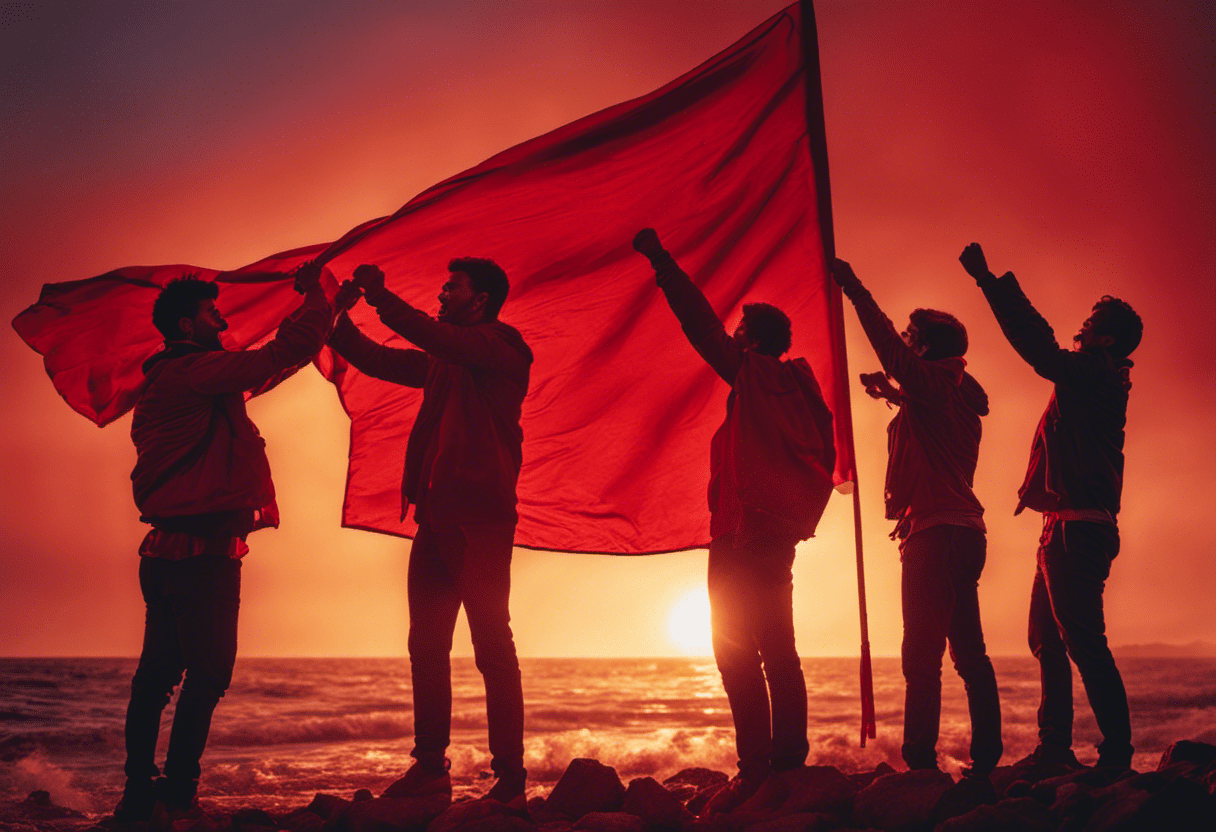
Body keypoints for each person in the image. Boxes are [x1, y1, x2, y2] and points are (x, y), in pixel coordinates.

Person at [114, 264, 333, 823]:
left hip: (166, 552)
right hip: (201, 555)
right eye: (215, 315)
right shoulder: (193, 372)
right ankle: (178, 791)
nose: (224, 321)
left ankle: (140, 792)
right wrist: (315, 296)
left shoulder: (177, 376)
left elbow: (271, 370)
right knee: (207, 674)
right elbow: (275, 355)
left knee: (158, 676)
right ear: (189, 324)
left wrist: (339, 303)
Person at [632, 229, 835, 813]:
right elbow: (822, 450)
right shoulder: (802, 387)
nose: (732, 335)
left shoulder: (752, 375)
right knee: (780, 650)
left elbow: (699, 326)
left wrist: (663, 261)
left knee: (735, 652)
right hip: (780, 532)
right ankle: (788, 763)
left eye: (740, 330)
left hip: (742, 532)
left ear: (750, 340)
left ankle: (757, 769)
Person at [328, 258, 532, 804]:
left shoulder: (502, 348)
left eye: (452, 287)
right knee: (426, 646)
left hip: (481, 521)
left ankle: (510, 780)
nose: (442, 293)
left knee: (492, 648)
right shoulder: (445, 360)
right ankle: (430, 769)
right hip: (436, 519)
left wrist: (379, 296)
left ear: (481, 299)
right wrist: (326, 311)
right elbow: (374, 358)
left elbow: (426, 332)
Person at [960, 242, 1142, 771]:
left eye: (1087, 323)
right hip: (1060, 526)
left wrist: (991, 283)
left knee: (1083, 640)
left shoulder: (1094, 373)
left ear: (1103, 337)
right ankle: (1055, 749)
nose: (1078, 328)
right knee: (1048, 639)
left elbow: (1039, 349)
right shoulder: (1096, 376)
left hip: (1077, 530)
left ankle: (1116, 758)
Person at [830, 258, 1002, 780]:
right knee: (969, 653)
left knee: (921, 657)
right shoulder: (955, 394)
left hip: (933, 534)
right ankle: (987, 761)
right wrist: (892, 395)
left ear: (925, 348)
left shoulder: (932, 386)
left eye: (912, 338)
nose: (904, 343)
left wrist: (855, 290)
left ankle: (921, 765)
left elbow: (889, 348)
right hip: (965, 532)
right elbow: (926, 407)